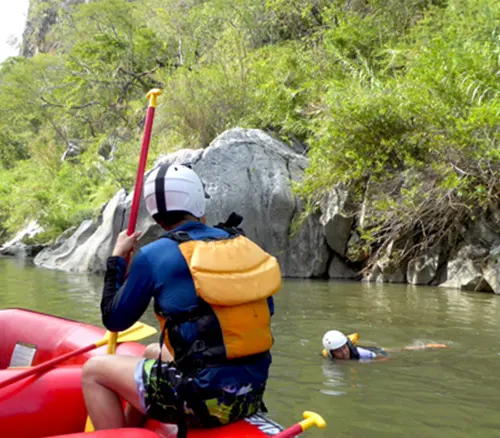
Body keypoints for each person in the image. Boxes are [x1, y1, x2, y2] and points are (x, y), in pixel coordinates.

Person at [82, 164, 282, 437]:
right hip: (252, 393)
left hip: (201, 400)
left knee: (94, 370)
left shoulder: (154, 255)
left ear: (155, 215)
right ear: (197, 202)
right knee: (153, 351)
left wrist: (117, 260)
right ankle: (137, 429)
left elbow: (114, 319)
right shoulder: (244, 245)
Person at [322, 330, 447, 361]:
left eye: (344, 348)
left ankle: (428, 346)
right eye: (338, 351)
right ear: (332, 353)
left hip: (373, 352)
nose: (344, 352)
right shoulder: (328, 356)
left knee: (400, 350)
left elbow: (382, 358)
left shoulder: (363, 354)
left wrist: (384, 360)